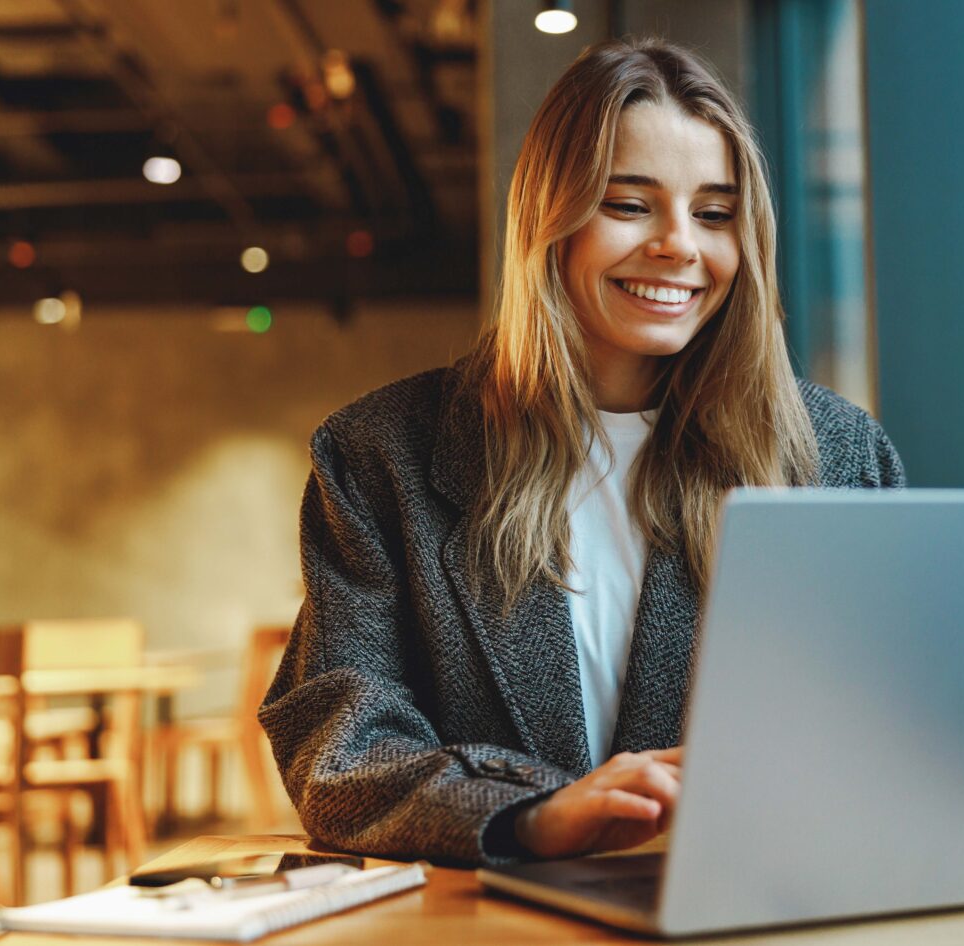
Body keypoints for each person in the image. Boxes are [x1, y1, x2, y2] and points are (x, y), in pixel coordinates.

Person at [258, 38, 905, 865]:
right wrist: (531, 813)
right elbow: (340, 746)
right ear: (549, 220)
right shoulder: (380, 456)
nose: (680, 245)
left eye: (713, 214)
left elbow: (888, 728)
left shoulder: (839, 456)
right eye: (630, 204)